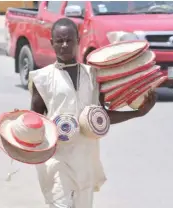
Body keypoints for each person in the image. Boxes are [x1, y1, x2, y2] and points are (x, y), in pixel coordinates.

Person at [29, 18, 157, 207]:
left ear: (78, 40)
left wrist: (137, 113)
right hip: (57, 160)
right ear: (52, 43)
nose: (64, 45)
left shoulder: (93, 75)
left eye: (69, 40)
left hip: (85, 159)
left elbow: (102, 117)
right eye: (59, 40)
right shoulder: (43, 79)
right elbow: (36, 122)